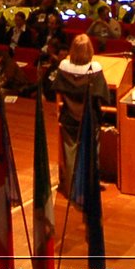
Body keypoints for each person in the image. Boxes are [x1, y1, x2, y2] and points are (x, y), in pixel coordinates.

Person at [51, 34, 108, 194]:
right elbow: (102, 95)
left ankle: (71, 188)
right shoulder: (95, 69)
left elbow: (57, 89)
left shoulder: (63, 66)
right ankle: (89, 189)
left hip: (69, 118)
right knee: (90, 154)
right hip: (90, 121)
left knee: (70, 154)